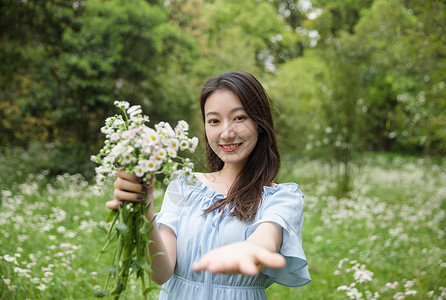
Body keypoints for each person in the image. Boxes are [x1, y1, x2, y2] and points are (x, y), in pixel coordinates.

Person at [107, 71, 311, 299]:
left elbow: (265, 241)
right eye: (214, 121)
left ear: (260, 123)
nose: (226, 133)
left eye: (239, 118)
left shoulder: (282, 198)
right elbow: (160, 272)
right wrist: (144, 206)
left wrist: (248, 250)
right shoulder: (184, 185)